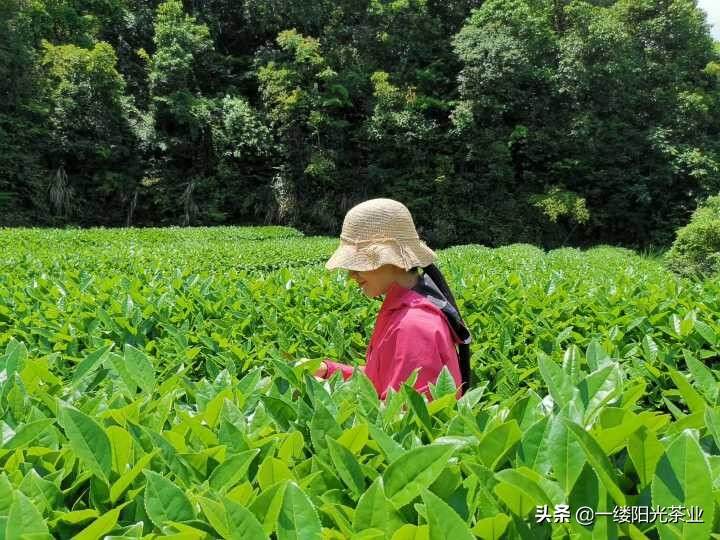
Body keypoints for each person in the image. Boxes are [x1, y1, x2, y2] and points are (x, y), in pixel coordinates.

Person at [315, 198, 472, 399]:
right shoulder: (402, 306)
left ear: (393, 260)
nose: (351, 275)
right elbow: (379, 379)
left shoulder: (414, 326)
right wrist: (327, 371)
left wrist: (330, 395)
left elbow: (406, 419)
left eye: (358, 265)